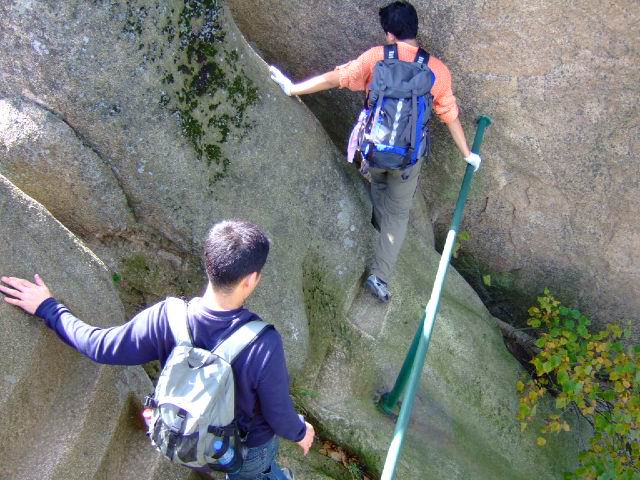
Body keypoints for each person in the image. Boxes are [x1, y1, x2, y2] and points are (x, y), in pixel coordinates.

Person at [0, 219, 314, 480]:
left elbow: (99, 346)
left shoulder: (167, 317)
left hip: (186, 432)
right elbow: (278, 415)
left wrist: (48, 308)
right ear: (250, 279)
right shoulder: (263, 344)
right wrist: (301, 432)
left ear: (208, 263)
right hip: (241, 448)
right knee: (256, 472)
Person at [269, 1, 481, 302]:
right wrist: (467, 154)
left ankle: (377, 226)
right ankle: (380, 275)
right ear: (415, 30)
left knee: (378, 184)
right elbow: (450, 115)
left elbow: (336, 78)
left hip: (374, 148)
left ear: (389, 34)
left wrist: (292, 89)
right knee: (398, 213)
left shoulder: (377, 57)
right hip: (407, 158)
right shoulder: (437, 70)